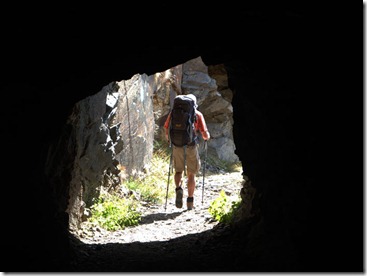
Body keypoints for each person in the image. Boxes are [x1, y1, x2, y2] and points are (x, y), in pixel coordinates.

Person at [163, 94, 210, 210]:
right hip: (191, 145)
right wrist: (206, 137)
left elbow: (166, 127)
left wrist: (169, 139)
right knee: (191, 174)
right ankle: (190, 201)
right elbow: (204, 134)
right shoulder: (197, 114)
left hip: (177, 145)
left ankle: (178, 189)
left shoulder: (173, 113)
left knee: (178, 170)